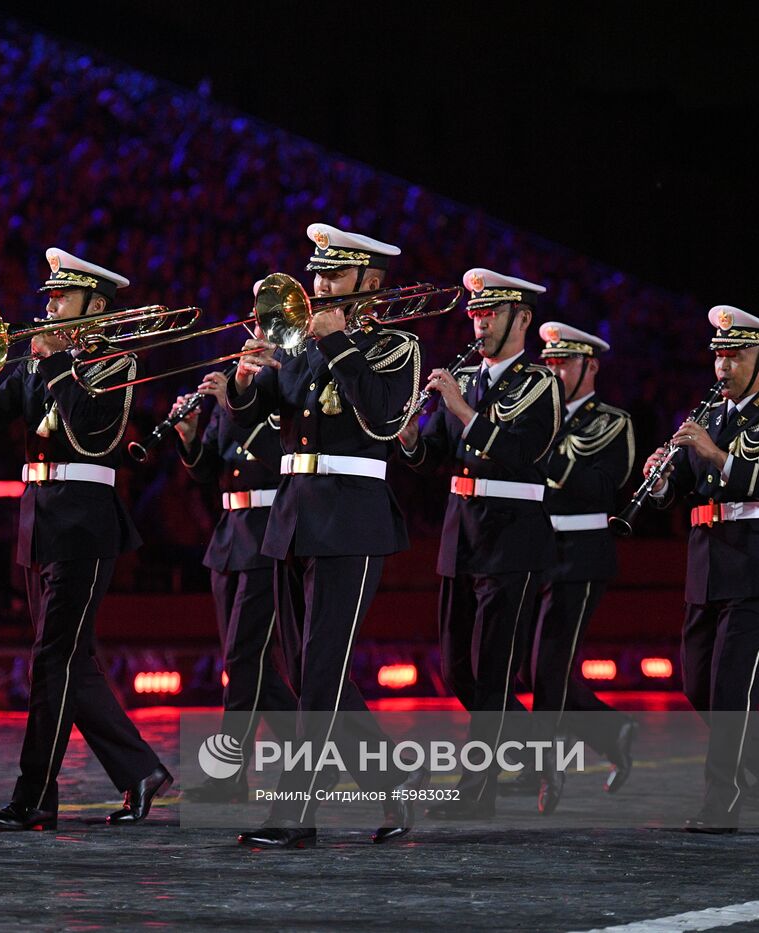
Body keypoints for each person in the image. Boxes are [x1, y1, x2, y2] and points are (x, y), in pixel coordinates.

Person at [0, 247, 172, 832]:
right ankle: (140, 771)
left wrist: (51, 364)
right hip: (40, 518)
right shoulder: (35, 363)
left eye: (61, 296)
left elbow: (91, 431)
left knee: (54, 659)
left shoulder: (117, 362)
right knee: (68, 661)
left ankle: (35, 796)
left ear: (95, 305)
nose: (48, 305)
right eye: (49, 294)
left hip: (85, 521)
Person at [229, 224, 422, 848]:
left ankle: (296, 816)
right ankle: (392, 791)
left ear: (369, 281)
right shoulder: (303, 346)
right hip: (294, 514)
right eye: (318, 275)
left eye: (334, 276)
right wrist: (244, 378)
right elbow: (263, 412)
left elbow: (384, 415)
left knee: (320, 673)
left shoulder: (396, 345)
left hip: (353, 515)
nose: (319, 287)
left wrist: (338, 344)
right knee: (310, 670)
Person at [398, 268, 561, 819]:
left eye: (491, 313)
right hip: (461, 530)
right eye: (475, 312)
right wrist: (408, 434)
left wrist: (461, 410)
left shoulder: (541, 383)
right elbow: (434, 455)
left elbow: (520, 452)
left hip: (513, 534)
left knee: (493, 669)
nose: (480, 321)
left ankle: (478, 789)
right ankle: (540, 754)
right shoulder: (465, 377)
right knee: (456, 670)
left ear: (522, 319)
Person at [645, 305, 759, 832]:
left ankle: (722, 802)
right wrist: (663, 480)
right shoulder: (710, 418)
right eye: (719, 353)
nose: (723, 364)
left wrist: (714, 455)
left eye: (735, 354)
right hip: (709, 563)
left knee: (734, 688)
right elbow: (694, 490)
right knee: (699, 685)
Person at [172, 294, 298, 802]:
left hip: (271, 527)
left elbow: (280, 453)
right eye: (255, 320)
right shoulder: (241, 379)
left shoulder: (289, 381)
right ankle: (315, 756)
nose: (257, 332)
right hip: (230, 531)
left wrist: (233, 397)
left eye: (269, 323)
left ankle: (229, 776)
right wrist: (189, 437)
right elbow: (212, 469)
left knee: (246, 657)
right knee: (245, 661)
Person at [524, 321, 637, 813]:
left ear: (590, 365)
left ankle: (545, 770)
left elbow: (602, 487)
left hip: (581, 550)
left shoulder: (609, 421)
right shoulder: (529, 413)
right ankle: (611, 731)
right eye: (547, 362)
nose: (553, 371)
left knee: (549, 666)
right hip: (532, 548)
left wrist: (539, 452)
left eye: (563, 362)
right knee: (533, 668)